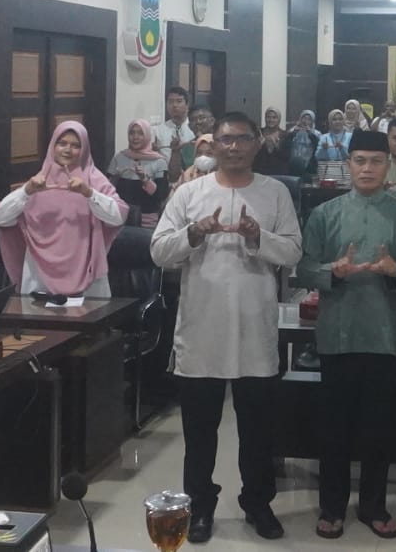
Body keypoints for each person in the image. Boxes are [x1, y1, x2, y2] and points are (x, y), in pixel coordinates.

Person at [150, 112, 304, 543]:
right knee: (200, 434)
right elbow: (159, 251)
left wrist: (258, 238)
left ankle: (257, 503)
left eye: (242, 138)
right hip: (201, 330)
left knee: (258, 432)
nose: (233, 147)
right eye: (225, 139)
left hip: (254, 330)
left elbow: (293, 252)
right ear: (213, 145)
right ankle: (200, 506)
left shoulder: (274, 192)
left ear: (257, 143)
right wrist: (194, 233)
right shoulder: (190, 193)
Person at [293, 131, 396, 540]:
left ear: (388, 166)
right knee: (333, 427)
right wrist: (331, 272)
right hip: (338, 333)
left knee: (378, 428)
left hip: (385, 334)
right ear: (348, 164)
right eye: (359, 160)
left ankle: (373, 506)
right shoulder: (325, 213)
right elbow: (304, 268)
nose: (367, 168)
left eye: (375, 161)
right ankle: (332, 507)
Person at [0, 120, 127, 296]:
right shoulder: (39, 181)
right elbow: (0, 218)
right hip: (39, 275)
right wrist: (27, 191)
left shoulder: (94, 179)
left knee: (89, 314)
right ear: (53, 146)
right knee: (37, 313)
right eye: (62, 143)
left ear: (84, 149)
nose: (67, 150)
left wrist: (88, 193)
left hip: (86, 275)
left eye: (75, 145)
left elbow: (118, 217)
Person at [108, 117, 165, 226]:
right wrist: (116, 176)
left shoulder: (159, 161)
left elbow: (160, 196)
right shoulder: (119, 157)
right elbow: (107, 189)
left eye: (140, 133)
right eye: (132, 133)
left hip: (147, 220)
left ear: (147, 135)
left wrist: (145, 179)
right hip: (121, 216)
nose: (135, 137)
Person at [154, 86, 196, 171]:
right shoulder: (158, 131)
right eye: (170, 102)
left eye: (179, 101)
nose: (174, 105)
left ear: (187, 104)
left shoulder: (195, 128)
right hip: (166, 173)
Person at [253, 107, 294, 175]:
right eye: (268, 117)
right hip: (259, 173)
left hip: (279, 174)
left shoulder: (285, 135)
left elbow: (287, 157)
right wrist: (258, 146)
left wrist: (277, 147)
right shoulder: (258, 133)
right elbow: (250, 155)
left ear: (279, 119)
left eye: (274, 117)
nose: (271, 120)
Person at [287, 109, 321, 176]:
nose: (306, 121)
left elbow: (319, 147)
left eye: (309, 119)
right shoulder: (293, 130)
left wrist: (310, 134)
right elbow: (286, 145)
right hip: (294, 165)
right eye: (304, 118)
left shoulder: (317, 133)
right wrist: (293, 133)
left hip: (310, 167)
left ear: (312, 121)